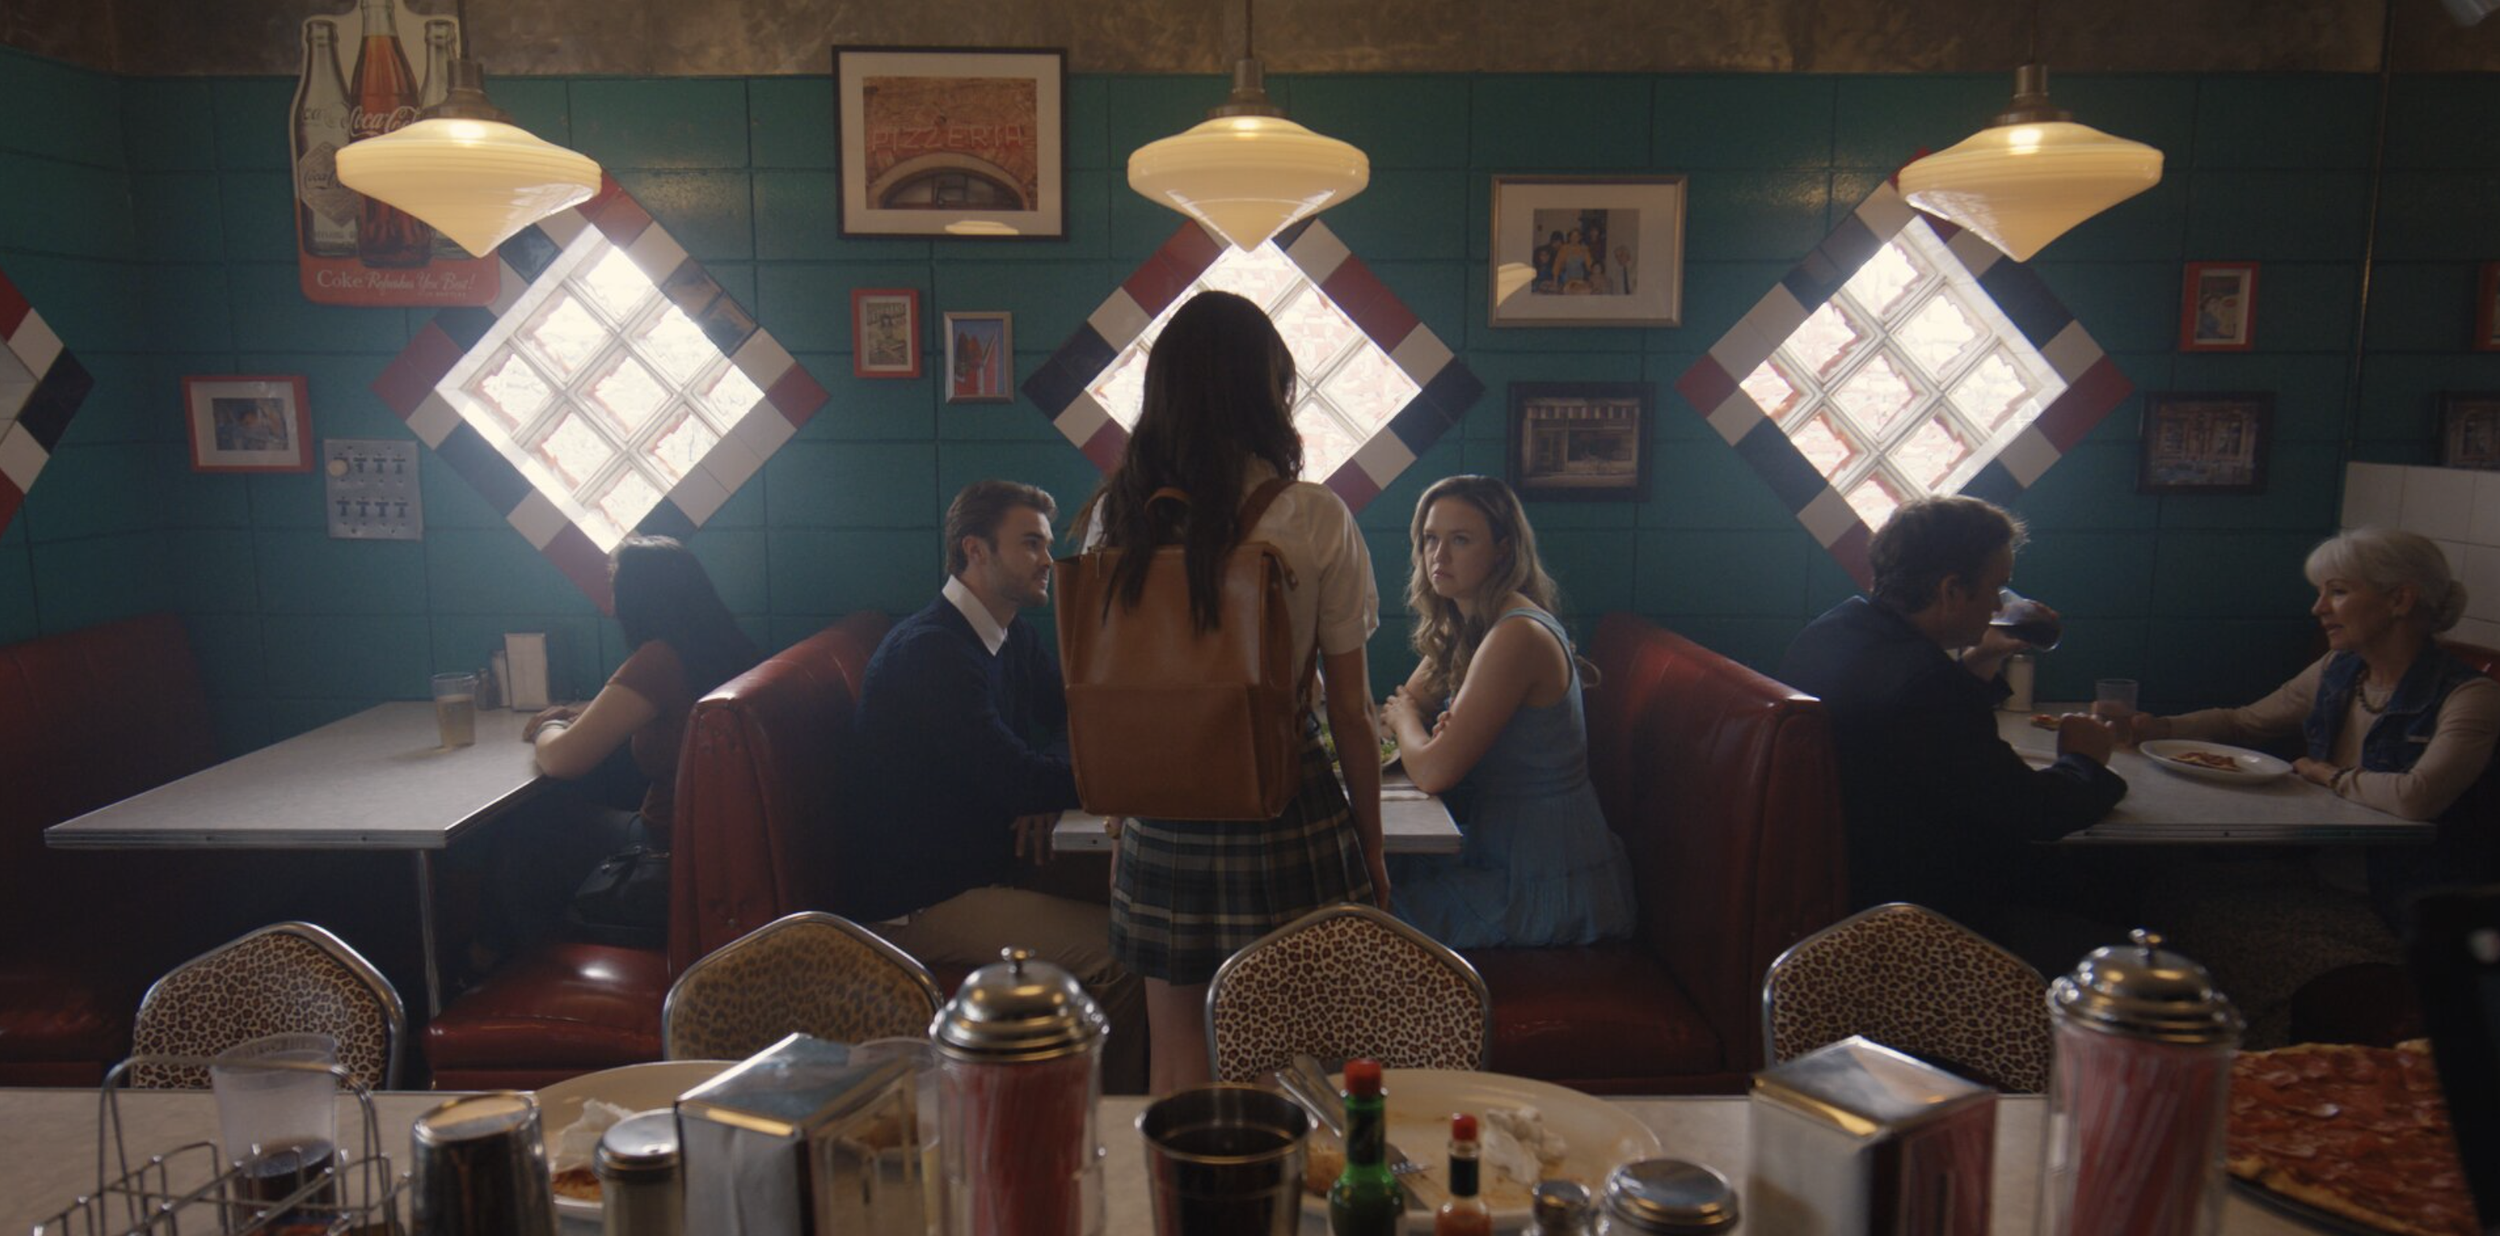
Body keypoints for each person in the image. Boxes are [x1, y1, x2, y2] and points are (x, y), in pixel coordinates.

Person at [1082, 289, 1387, 1094]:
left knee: (1176, 1052)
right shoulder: (1314, 517)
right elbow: (1351, 714)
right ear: (1268, 392)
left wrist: (1120, 830)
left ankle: (1177, 1176)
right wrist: (1372, 845)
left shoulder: (1116, 521)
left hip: (1161, 812)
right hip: (1287, 802)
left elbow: (1116, 703)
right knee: (1297, 1057)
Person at [848, 480, 1146, 1092]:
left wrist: (1037, 785)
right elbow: (1017, 778)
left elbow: (1070, 716)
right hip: (919, 902)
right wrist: (1132, 776)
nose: (1047, 560)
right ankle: (1099, 1121)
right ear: (975, 550)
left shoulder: (1007, 633)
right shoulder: (933, 653)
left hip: (974, 873)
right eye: (1031, 544)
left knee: (1144, 924)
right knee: (1128, 958)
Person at [1777, 496, 2127, 962]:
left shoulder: (1835, 629)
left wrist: (1983, 657)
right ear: (1952, 591)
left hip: (1846, 888)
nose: (1999, 604)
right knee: (2129, 905)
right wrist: (2085, 759)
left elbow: (1923, 739)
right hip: (1923, 926)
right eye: (1996, 587)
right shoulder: (1924, 686)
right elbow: (2033, 813)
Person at [2099, 528, 2498, 916]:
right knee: (2155, 881)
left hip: (2400, 907)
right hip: (2317, 872)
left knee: (2184, 906)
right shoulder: (2340, 668)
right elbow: (2244, 722)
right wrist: (2156, 728)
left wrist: (2327, 775)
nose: (2318, 608)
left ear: (2400, 599)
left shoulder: (2471, 696)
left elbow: (2416, 797)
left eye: (2337, 592)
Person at [1381, 476, 1636, 948]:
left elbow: (1432, 768)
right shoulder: (1469, 621)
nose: (1439, 556)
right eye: (1431, 539)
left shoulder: (1516, 635)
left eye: (1461, 540)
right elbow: (1407, 705)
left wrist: (1408, 725)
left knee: (1357, 916)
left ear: (1503, 550)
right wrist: (1417, 725)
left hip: (1546, 880)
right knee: (1364, 877)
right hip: (1500, 852)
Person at [512, 535, 762, 946]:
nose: (611, 608)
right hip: (723, 845)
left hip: (666, 844)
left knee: (530, 824)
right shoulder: (723, 644)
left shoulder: (658, 659)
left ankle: (494, 958)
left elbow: (561, 761)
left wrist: (546, 728)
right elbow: (660, 707)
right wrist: (586, 712)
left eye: (614, 588)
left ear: (637, 599)